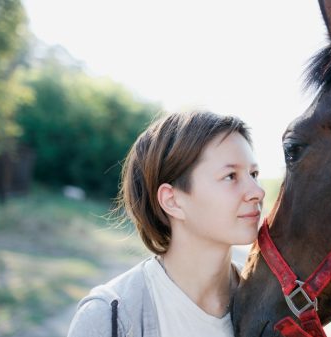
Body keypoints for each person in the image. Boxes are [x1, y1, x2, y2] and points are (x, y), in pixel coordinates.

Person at [67, 110, 265, 337]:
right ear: (173, 201)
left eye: (254, 173)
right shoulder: (109, 317)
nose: (257, 192)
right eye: (231, 176)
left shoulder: (271, 308)